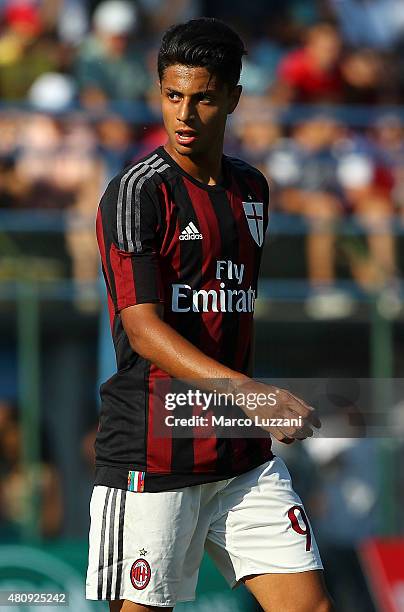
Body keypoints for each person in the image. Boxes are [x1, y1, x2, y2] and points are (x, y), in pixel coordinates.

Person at [86, 18, 333, 612]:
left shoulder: (252, 189)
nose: (184, 114)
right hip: (155, 452)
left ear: (233, 99)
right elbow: (143, 328)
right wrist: (248, 392)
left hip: (240, 454)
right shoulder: (138, 192)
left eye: (202, 98)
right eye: (173, 96)